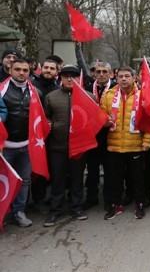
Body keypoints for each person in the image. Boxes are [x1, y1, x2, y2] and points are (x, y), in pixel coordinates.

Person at [43, 65, 95, 227]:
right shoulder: (51, 97)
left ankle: (76, 207)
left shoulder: (89, 97)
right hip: (57, 146)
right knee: (57, 179)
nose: (70, 79)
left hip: (79, 147)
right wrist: (50, 124)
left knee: (77, 178)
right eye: (66, 76)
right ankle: (55, 210)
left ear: (79, 78)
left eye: (73, 76)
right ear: (61, 77)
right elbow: (45, 118)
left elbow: (94, 120)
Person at [101, 66, 150, 220]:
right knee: (114, 178)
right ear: (116, 78)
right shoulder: (109, 95)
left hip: (135, 145)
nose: (123, 79)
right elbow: (101, 115)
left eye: (127, 76)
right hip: (114, 145)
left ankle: (140, 204)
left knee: (137, 178)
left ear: (134, 78)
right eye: (120, 76)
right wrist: (104, 121)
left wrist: (147, 142)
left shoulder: (143, 95)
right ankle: (115, 205)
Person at [0, 59, 33, 227]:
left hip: (26, 146)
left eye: (25, 70)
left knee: (24, 180)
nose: (21, 73)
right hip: (5, 147)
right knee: (2, 180)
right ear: (9, 70)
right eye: (18, 69)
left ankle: (19, 211)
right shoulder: (1, 90)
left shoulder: (35, 91)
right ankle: (3, 213)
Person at [82, 62, 116, 211]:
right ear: (94, 73)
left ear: (110, 73)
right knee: (92, 169)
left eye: (104, 71)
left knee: (109, 169)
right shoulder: (87, 89)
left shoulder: (116, 88)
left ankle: (108, 198)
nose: (101, 74)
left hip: (110, 134)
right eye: (98, 72)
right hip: (92, 134)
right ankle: (91, 197)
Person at [30, 59, 59, 214]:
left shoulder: (58, 89)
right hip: (34, 136)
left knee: (50, 169)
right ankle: (37, 200)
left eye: (52, 68)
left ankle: (48, 198)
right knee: (35, 169)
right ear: (41, 69)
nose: (48, 70)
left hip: (52, 138)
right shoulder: (31, 86)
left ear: (56, 72)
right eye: (46, 67)